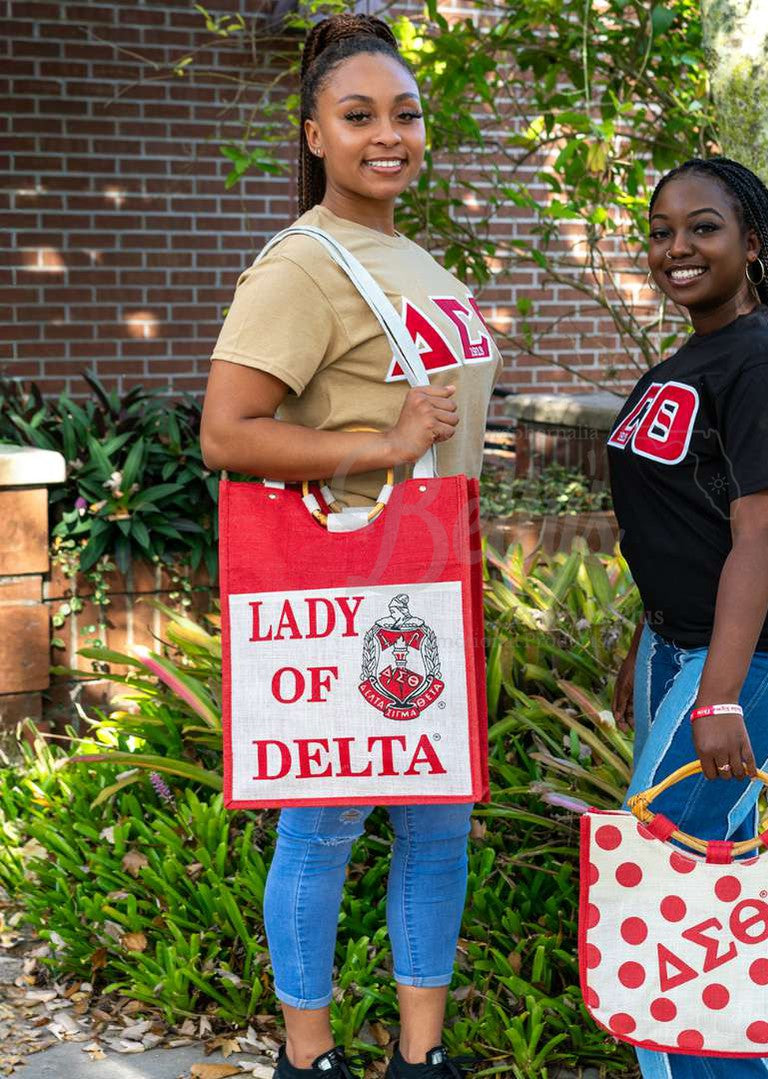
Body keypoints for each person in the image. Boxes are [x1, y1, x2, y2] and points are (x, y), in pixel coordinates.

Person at [199, 14, 501, 1079]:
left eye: (405, 114)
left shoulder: (409, 252)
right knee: (323, 826)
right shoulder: (301, 263)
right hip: (349, 585)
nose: (389, 134)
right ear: (315, 132)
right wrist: (380, 440)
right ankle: (309, 1058)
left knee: (435, 824)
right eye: (359, 115)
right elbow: (227, 430)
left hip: (430, 576)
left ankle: (422, 1058)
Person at [606, 156, 768, 1079]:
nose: (677, 247)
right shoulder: (690, 358)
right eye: (661, 230)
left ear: (750, 242)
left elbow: (759, 534)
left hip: (751, 658)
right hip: (682, 644)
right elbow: (677, 521)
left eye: (701, 227)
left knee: (657, 898)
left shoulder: (767, 361)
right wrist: (647, 639)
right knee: (703, 893)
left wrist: (717, 696)